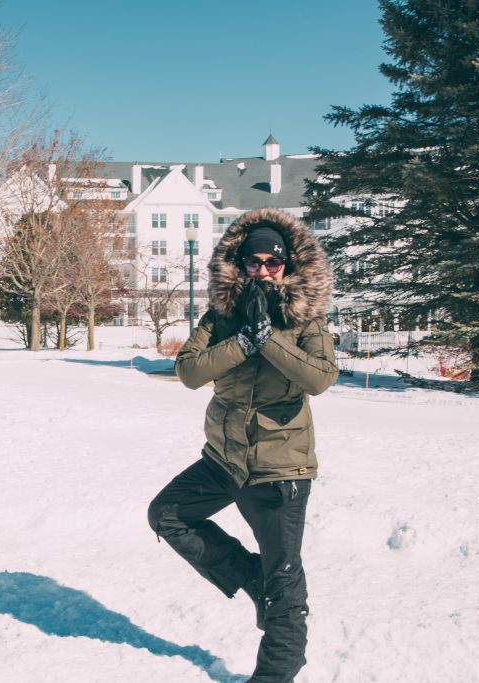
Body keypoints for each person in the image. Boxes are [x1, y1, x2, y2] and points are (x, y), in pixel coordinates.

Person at [147, 208, 338, 683]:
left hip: (279, 470)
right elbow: (189, 373)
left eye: (272, 263)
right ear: (239, 265)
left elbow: (320, 378)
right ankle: (249, 579)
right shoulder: (221, 316)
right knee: (167, 514)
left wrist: (269, 339)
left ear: (288, 265)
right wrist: (242, 342)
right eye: (252, 263)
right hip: (223, 461)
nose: (262, 271)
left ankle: (275, 673)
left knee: (284, 578)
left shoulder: (306, 319)